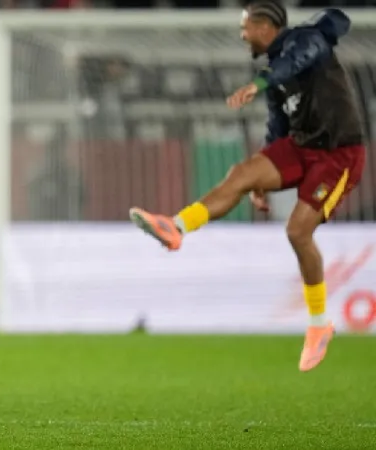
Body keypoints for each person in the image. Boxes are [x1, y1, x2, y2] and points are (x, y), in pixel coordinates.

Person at [129, 4, 365, 373]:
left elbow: (296, 61)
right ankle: (176, 227)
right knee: (241, 173)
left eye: (246, 28)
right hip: (301, 147)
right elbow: (278, 127)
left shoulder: (308, 39)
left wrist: (259, 84)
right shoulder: (272, 73)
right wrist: (261, 179)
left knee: (298, 232)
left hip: (339, 156)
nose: (242, 36)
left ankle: (319, 324)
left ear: (265, 26)